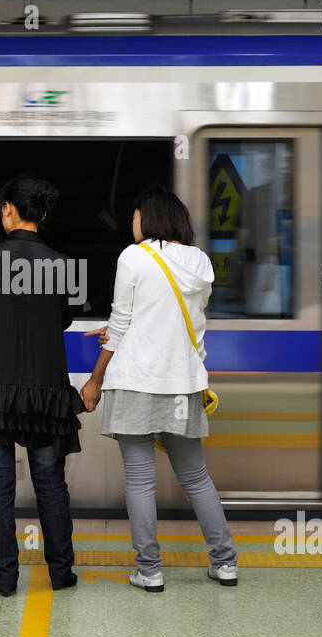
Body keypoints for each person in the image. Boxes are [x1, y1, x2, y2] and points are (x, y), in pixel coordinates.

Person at [80, 185, 237, 593]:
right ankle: (225, 563)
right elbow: (173, 319)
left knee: (140, 481)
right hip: (183, 384)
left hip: (135, 382)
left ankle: (149, 570)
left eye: (134, 215)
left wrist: (95, 379)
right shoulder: (201, 262)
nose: (132, 222)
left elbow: (120, 323)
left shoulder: (133, 257)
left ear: (149, 219)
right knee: (197, 479)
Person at [0, 177, 83, 596]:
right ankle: (61, 572)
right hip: (46, 391)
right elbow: (64, 318)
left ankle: (6, 577)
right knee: (50, 482)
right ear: (42, 215)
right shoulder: (64, 263)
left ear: (9, 209)